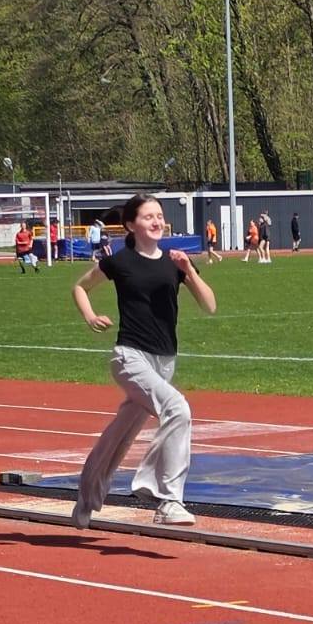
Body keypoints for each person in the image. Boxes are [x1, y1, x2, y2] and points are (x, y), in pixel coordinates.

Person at [70, 191, 217, 529]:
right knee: (178, 409)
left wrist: (189, 272)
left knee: (121, 433)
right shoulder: (119, 262)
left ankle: (87, 496)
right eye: (148, 216)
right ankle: (167, 498)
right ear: (131, 225)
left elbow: (210, 305)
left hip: (164, 363)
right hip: (130, 358)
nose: (156, 221)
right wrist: (90, 316)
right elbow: (81, 287)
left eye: (159, 216)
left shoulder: (175, 261)